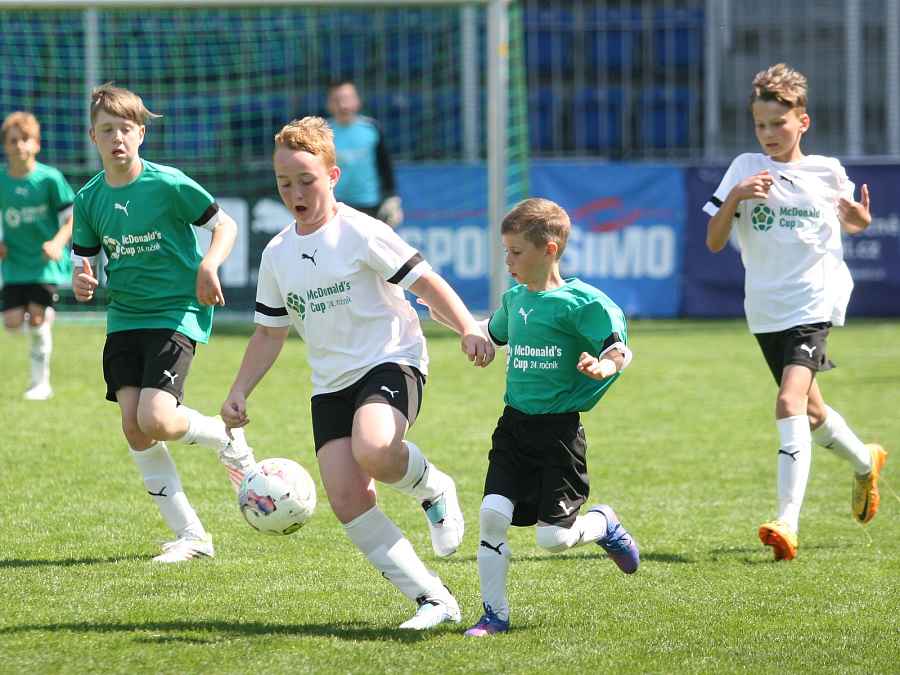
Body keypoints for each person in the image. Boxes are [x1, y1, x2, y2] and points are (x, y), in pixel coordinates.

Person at [219, 116, 494, 630]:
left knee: (374, 448)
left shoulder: (362, 232)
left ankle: (433, 487)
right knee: (347, 497)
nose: (295, 193)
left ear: (333, 176)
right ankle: (433, 600)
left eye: (306, 180)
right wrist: (239, 390)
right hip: (330, 384)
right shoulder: (277, 254)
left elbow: (426, 282)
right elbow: (269, 333)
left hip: (391, 359)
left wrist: (467, 328)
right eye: (284, 183)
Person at [422, 197, 640, 637]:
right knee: (491, 515)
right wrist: (454, 321)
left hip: (559, 435)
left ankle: (603, 524)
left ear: (550, 249)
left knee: (552, 539)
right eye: (506, 251)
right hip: (513, 428)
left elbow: (619, 349)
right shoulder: (515, 299)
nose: (508, 262)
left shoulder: (582, 303)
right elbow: (488, 334)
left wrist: (603, 366)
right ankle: (494, 616)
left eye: (516, 252)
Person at [703, 63, 887, 561]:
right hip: (766, 307)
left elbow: (855, 221)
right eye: (760, 125)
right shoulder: (744, 168)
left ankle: (786, 522)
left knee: (788, 402)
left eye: (778, 124)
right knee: (811, 411)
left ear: (802, 122)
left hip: (814, 300)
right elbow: (715, 241)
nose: (768, 133)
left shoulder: (826, 171)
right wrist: (736, 197)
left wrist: (860, 217)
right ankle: (865, 461)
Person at [71, 83, 257, 563]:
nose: (117, 138)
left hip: (176, 311)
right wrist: (81, 281)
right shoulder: (88, 198)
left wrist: (209, 264)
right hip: (124, 317)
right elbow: (84, 261)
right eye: (106, 130)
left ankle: (224, 437)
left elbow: (225, 225)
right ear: (93, 137)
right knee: (135, 429)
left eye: (125, 129)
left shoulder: (168, 183)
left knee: (155, 419)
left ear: (141, 134)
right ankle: (192, 537)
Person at [0, 111, 75, 400]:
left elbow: (72, 218)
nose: (20, 145)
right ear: (5, 146)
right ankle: (42, 314)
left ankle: (40, 383)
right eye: (13, 140)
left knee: (36, 320)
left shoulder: (50, 179)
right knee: (11, 323)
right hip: (15, 264)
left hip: (45, 264)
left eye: (25, 139)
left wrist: (57, 243)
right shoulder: (2, 180)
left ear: (37, 143)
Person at [326, 80, 403, 227]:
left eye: (347, 99)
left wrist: (392, 197)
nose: (343, 105)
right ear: (329, 104)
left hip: (370, 204)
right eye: (337, 100)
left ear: (357, 101)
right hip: (335, 205)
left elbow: (385, 166)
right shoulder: (323, 133)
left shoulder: (371, 129)